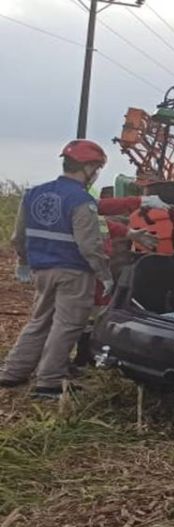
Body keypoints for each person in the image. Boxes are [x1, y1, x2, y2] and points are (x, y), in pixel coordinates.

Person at [0, 140, 115, 397]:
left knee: (39, 321)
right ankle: (49, 381)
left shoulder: (33, 193)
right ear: (87, 167)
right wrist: (104, 275)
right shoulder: (82, 200)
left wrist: (24, 263)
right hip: (74, 272)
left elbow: (18, 237)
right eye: (96, 168)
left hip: (41, 269)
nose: (96, 174)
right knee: (68, 325)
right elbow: (89, 245)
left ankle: (12, 372)